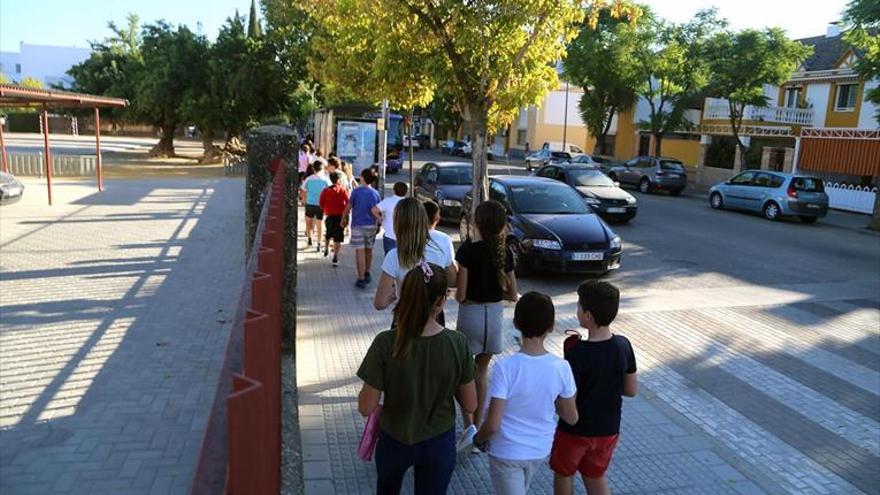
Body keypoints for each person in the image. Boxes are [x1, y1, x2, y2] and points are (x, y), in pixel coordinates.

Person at [357, 263, 477, 494]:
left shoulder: (385, 342)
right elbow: (471, 404)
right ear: (441, 301)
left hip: (394, 438)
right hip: (439, 441)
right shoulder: (458, 343)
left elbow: (365, 407)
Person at [470, 292, 579, 495]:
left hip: (506, 452)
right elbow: (571, 417)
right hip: (540, 449)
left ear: (516, 323)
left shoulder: (505, 367)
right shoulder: (561, 367)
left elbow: (493, 424)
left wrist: (478, 439)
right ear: (551, 325)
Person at [550, 281, 638, 495]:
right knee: (595, 475)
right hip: (608, 429)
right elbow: (631, 390)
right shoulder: (623, 345)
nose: (577, 310)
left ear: (587, 316)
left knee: (564, 472)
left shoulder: (578, 353)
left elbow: (569, 398)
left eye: (579, 306)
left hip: (575, 430)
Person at [454, 200, 517, 442]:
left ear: (477, 222)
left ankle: (468, 425)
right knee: (482, 372)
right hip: (495, 317)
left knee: (464, 373)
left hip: (471, 316)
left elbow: (461, 295)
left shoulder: (467, 251)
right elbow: (512, 294)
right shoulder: (505, 252)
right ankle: (478, 427)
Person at [374, 198, 456, 315]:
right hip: (434, 317)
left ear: (397, 224)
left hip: (405, 318)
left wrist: (394, 296)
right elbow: (453, 281)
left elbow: (380, 303)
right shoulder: (443, 241)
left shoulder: (394, 256)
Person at [343, 169, 382, 288]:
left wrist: (343, 218)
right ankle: (367, 272)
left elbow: (348, 207)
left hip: (357, 226)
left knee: (359, 251)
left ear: (362, 178)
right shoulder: (376, 193)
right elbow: (378, 210)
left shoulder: (356, 192)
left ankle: (360, 279)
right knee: (369, 249)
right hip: (371, 225)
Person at [318, 171, 350, 267]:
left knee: (328, 233)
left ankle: (326, 249)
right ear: (339, 180)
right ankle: (335, 256)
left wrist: (326, 209)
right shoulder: (343, 190)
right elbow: (348, 202)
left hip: (329, 216)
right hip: (340, 216)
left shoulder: (325, 190)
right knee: (338, 237)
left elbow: (321, 204)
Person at [300, 160, 330, 250]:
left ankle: (309, 238)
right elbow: (330, 191)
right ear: (322, 168)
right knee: (319, 224)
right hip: (321, 205)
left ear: (313, 168)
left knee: (308, 222)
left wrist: (303, 200)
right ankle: (319, 243)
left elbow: (303, 191)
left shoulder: (308, 179)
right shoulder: (326, 179)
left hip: (310, 203)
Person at [373, 182, 408, 254]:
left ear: (394, 190)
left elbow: (374, 210)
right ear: (406, 192)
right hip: (404, 237)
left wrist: (380, 219)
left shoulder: (388, 201)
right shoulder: (409, 203)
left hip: (389, 235)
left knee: (389, 260)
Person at [423, 200, 454, 267]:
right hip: (438, 275)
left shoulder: (411, 236)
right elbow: (450, 268)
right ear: (437, 218)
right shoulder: (444, 238)